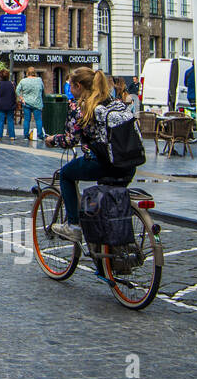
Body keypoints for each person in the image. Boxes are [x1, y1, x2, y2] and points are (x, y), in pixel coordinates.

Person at [45, 67, 138, 250]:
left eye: (70, 86)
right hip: (128, 162)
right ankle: (113, 250)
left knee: (66, 174)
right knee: (109, 202)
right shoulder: (114, 102)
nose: (69, 89)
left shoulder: (82, 107)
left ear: (78, 86)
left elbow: (71, 139)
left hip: (102, 162)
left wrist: (52, 140)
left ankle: (73, 225)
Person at [17, 66, 45, 141]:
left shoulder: (23, 81)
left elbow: (17, 90)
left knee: (26, 120)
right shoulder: (39, 80)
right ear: (34, 73)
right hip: (37, 103)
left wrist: (22, 99)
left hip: (26, 103)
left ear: (27, 73)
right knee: (38, 120)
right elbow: (42, 89)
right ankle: (40, 136)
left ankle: (26, 136)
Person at [0, 70, 17, 141]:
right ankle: (12, 136)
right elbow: (14, 94)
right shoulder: (12, 84)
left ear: (0, 76)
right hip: (10, 104)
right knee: (10, 120)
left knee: (0, 120)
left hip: (0, 105)